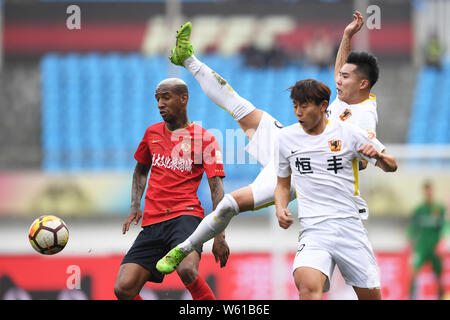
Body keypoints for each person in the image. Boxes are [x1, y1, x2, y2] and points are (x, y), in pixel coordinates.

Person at [156, 11, 379, 274]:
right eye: (340, 76)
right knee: (239, 106)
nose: (338, 80)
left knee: (229, 204)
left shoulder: (365, 116)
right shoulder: (347, 96)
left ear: (362, 84)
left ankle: (184, 247)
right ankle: (188, 58)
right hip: (290, 140)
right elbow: (342, 69)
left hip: (301, 170)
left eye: (346, 77)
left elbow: (361, 162)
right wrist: (346, 36)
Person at [274, 79, 397, 300]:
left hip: (349, 228)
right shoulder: (285, 138)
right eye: (295, 106)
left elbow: (391, 165)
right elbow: (283, 183)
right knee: (307, 286)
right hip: (314, 230)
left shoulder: (349, 133)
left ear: (323, 106)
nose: (298, 113)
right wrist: (280, 207)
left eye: (304, 106)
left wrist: (378, 156)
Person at [114, 78, 230, 300]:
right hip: (153, 223)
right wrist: (134, 205)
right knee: (123, 289)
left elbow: (217, 189)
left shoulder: (205, 139)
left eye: (166, 97)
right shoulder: (152, 134)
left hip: (185, 217)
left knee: (187, 270)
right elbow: (140, 170)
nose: (160, 104)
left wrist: (219, 235)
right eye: (157, 98)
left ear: (183, 99)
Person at [408, 181, 446, 300]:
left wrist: (442, 240)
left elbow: (444, 225)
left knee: (439, 274)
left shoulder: (439, 208)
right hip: (422, 246)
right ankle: (412, 296)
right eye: (426, 190)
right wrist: (409, 240)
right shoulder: (419, 209)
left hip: (434, 246)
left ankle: (441, 296)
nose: (428, 193)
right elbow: (413, 227)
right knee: (413, 271)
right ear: (424, 192)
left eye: (430, 190)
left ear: (432, 191)